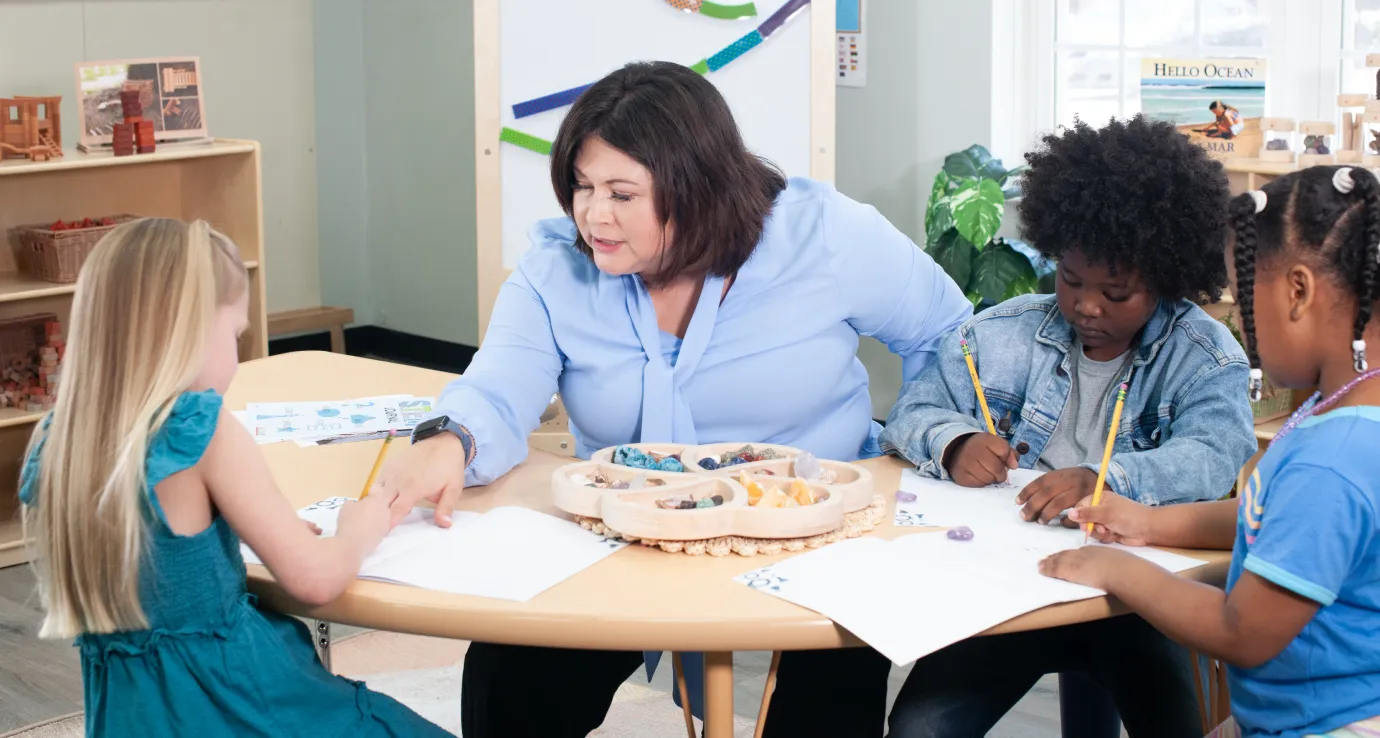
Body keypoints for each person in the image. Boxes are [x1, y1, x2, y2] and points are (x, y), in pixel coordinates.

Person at [374, 61, 973, 737]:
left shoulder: (825, 235)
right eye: (581, 185)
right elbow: (497, 390)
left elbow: (950, 336)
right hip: (622, 530)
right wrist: (447, 443)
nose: (592, 214)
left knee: (828, 697)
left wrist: (925, 447)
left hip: (814, 534)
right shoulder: (555, 271)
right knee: (511, 673)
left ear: (695, 189)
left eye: (621, 194)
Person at [870, 115, 1258, 738]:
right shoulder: (998, 333)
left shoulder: (1205, 355)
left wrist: (1107, 480)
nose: (1086, 305)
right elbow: (911, 414)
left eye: (1117, 292)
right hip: (1008, 590)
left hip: (1135, 601)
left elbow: (1213, 458)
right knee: (920, 727)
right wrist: (954, 441)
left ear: (1166, 278)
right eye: (1071, 280)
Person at [19, 218, 449, 737]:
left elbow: (167, 568)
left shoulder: (56, 438)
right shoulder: (201, 430)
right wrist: (362, 527)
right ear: (185, 330)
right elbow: (314, 580)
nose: (239, 359)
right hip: (233, 704)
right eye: (234, 335)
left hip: (131, 715)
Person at [1041, 164, 1380, 738]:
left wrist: (1118, 569)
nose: (1246, 328)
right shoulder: (1345, 412)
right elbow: (1275, 519)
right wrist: (1151, 523)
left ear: (1298, 291)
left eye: (1247, 299)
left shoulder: (1335, 457)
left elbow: (1242, 633)